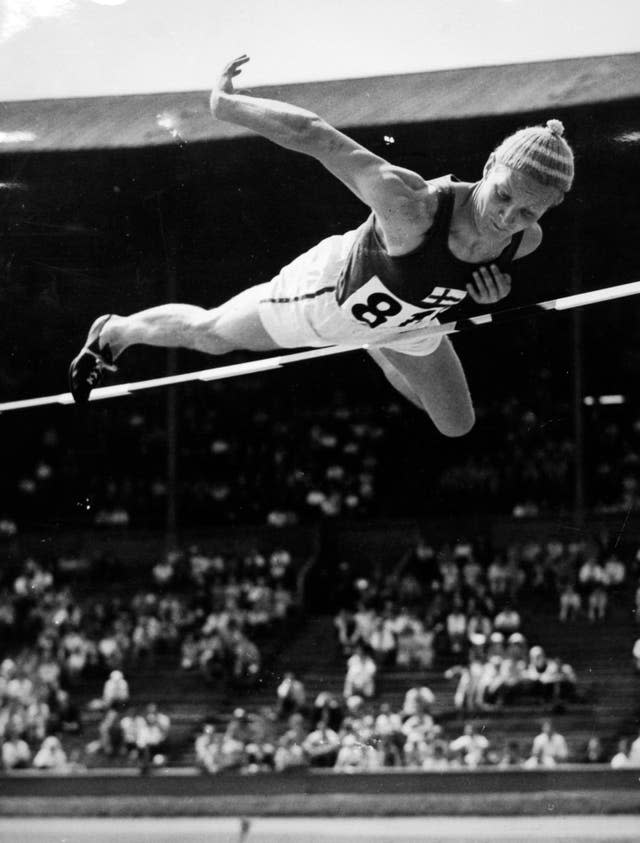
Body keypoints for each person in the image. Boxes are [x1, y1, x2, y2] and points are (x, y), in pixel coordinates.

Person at [69, 55, 574, 438]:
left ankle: (378, 343)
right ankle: (119, 330)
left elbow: (473, 268)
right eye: (504, 195)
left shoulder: (525, 242)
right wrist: (225, 105)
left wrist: (484, 296)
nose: (507, 217)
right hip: (326, 297)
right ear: (490, 167)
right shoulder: (411, 206)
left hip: (410, 322)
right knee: (213, 334)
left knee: (456, 424)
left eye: (528, 211)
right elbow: (319, 138)